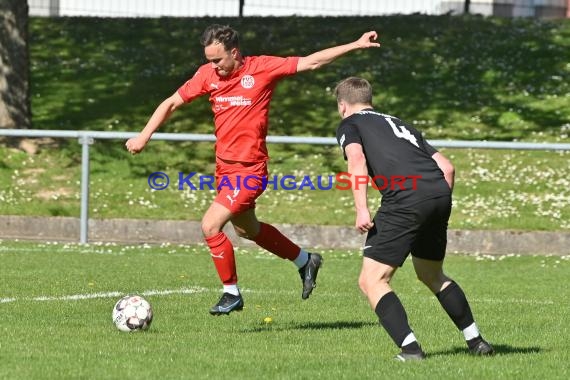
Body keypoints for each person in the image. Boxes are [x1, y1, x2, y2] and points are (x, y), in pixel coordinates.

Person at [125, 25, 381, 315]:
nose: (214, 67)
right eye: (209, 60)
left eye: (218, 60)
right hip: (225, 170)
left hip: (250, 170)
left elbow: (312, 61)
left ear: (234, 52)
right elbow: (171, 102)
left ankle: (231, 293)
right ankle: (305, 260)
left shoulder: (262, 68)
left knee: (210, 226)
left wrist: (355, 44)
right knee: (248, 230)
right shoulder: (207, 75)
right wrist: (144, 135)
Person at [333, 77, 494, 360]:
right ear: (370, 99)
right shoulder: (400, 124)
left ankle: (411, 350)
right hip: (438, 194)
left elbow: (356, 161)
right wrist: (435, 204)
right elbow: (447, 168)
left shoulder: (350, 124)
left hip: (405, 199)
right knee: (432, 274)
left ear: (342, 105)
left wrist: (361, 208)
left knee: (372, 281)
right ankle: (476, 342)